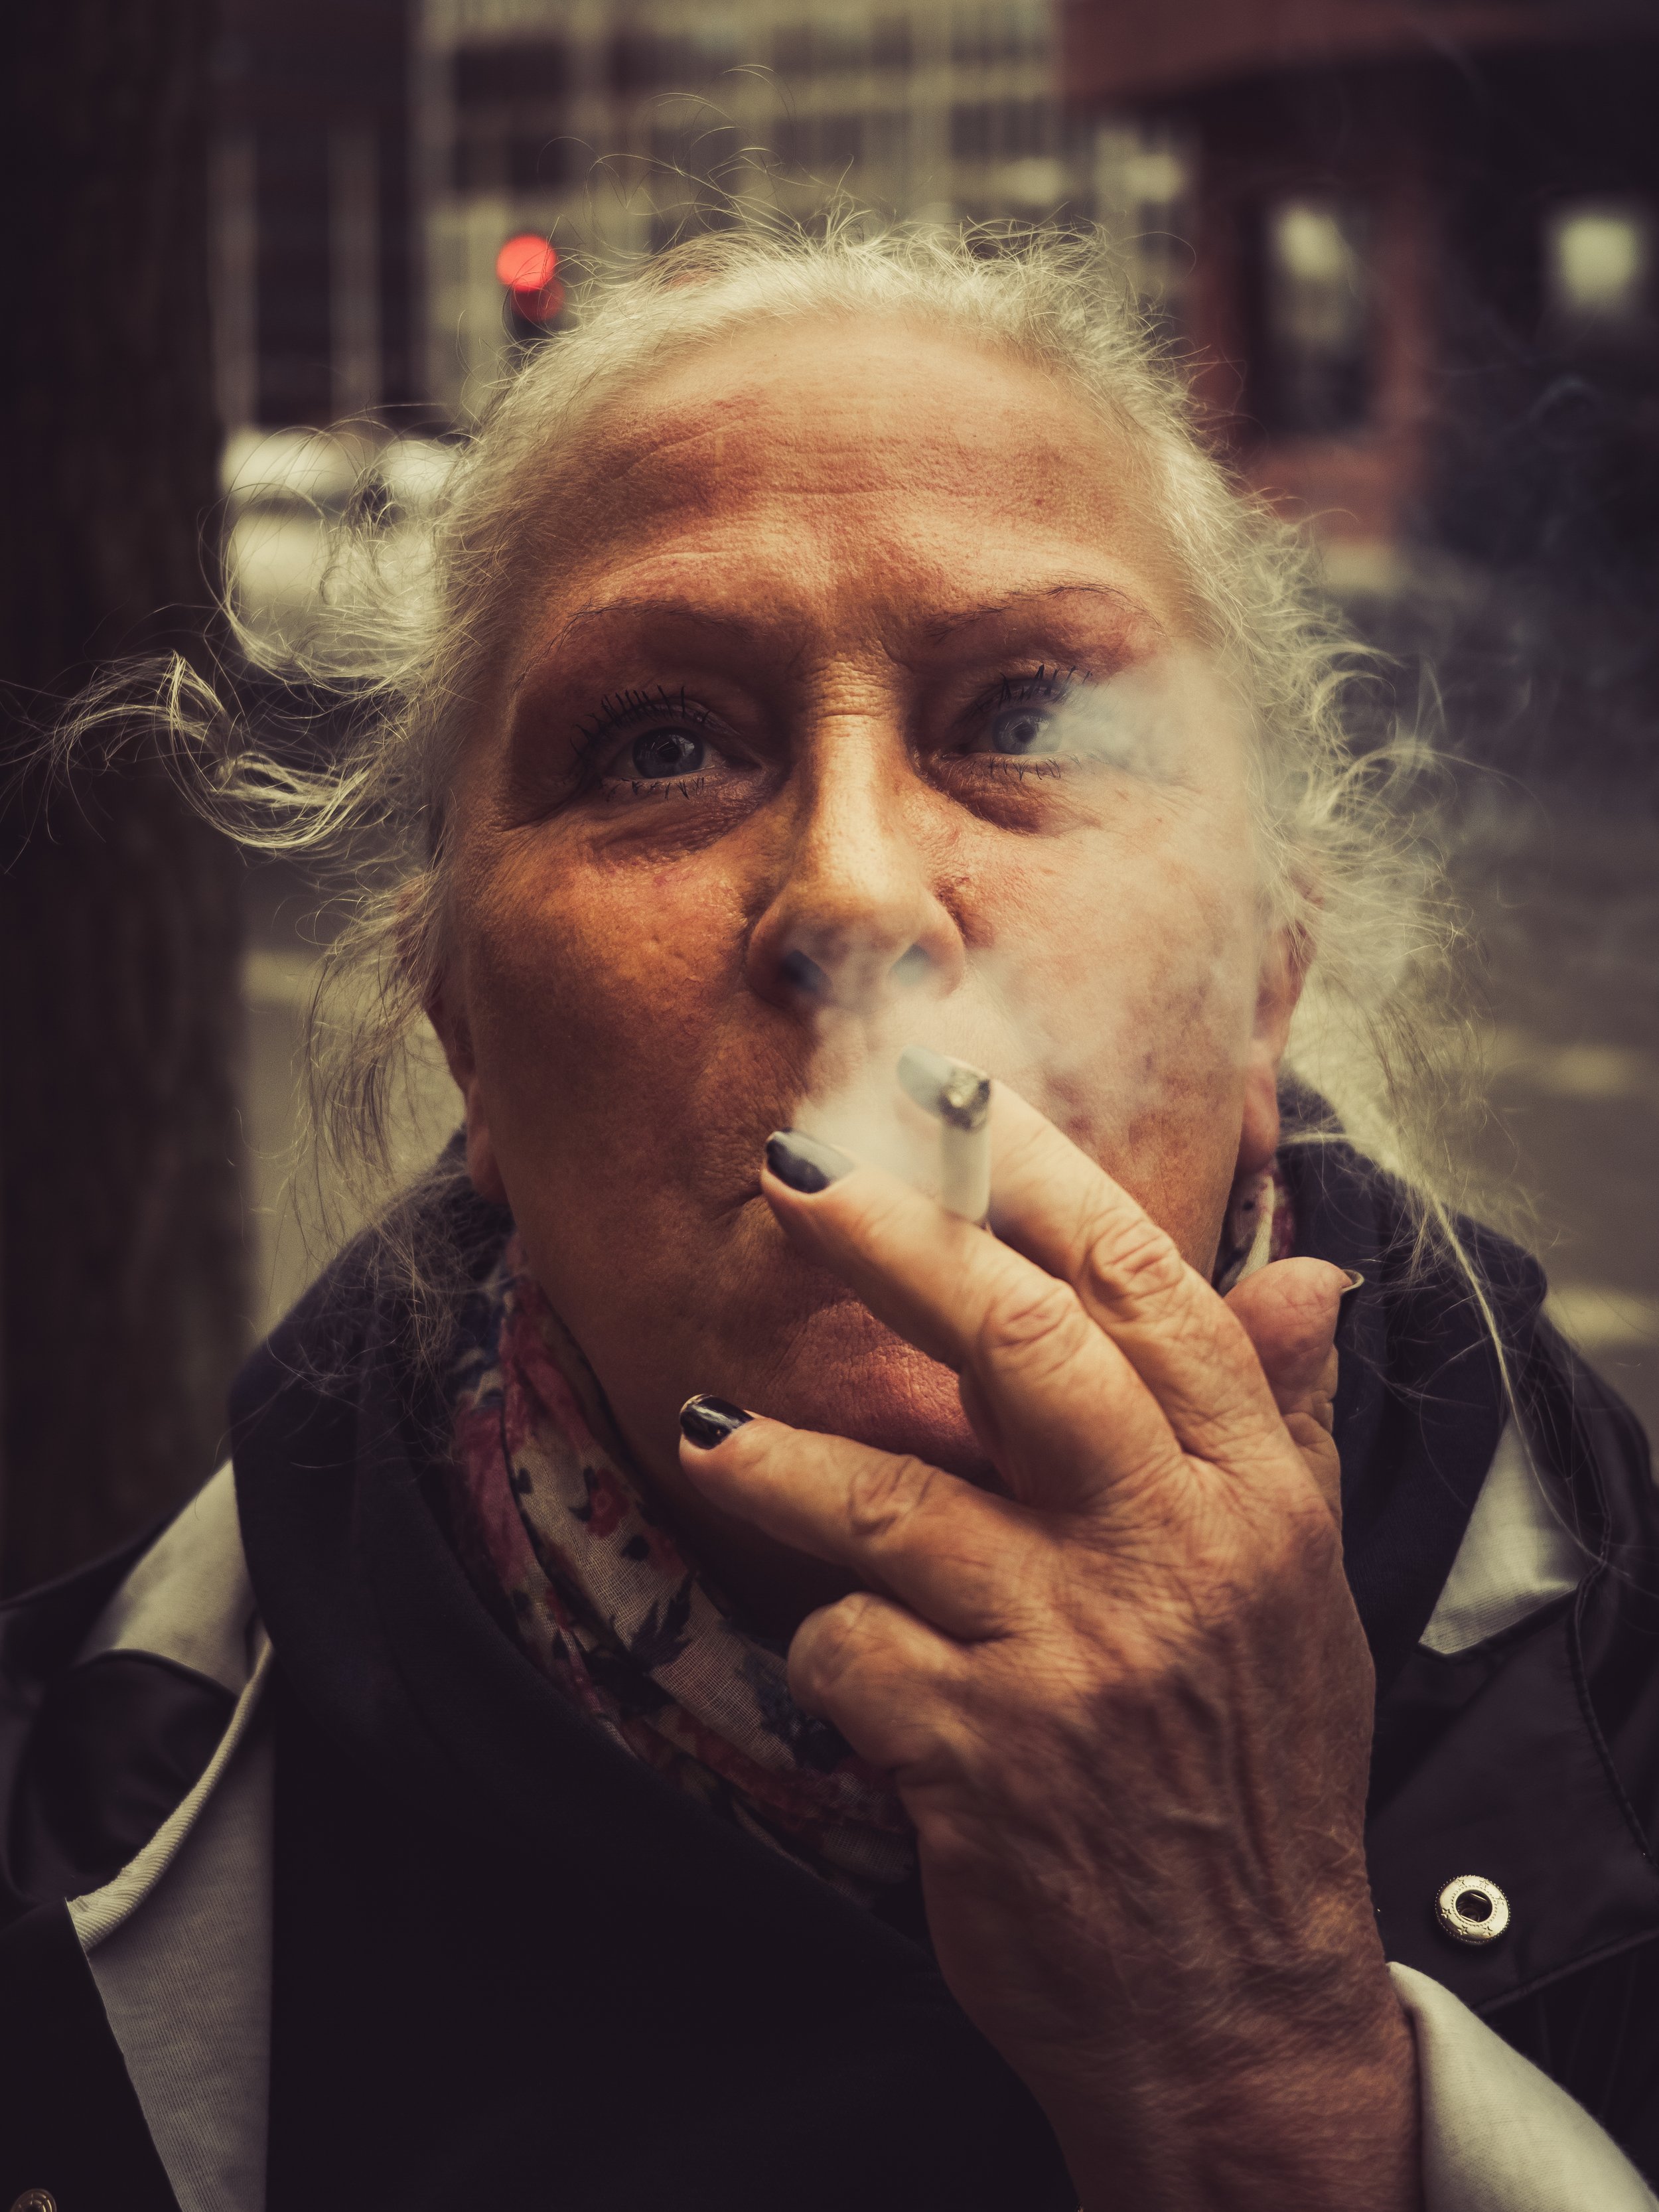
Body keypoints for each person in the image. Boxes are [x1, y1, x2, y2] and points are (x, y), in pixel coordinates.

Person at [1, 224, 1655, 2212]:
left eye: (1025, 718)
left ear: (1263, 977)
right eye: (661, 745)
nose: (856, 899)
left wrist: (1250, 2058)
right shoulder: (80, 1834)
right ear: (464, 1037)